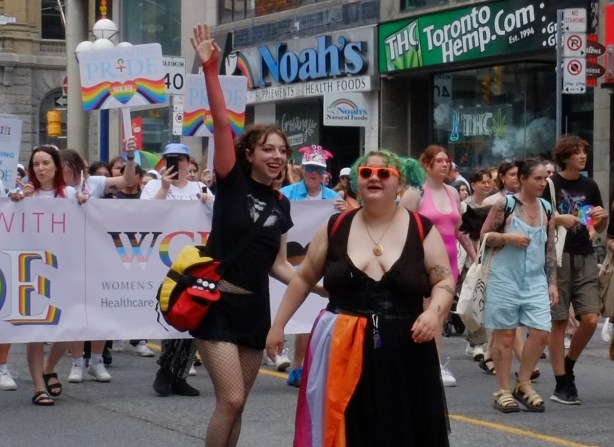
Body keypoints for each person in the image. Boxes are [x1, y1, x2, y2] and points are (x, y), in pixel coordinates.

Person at [267, 149, 453, 446]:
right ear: (356, 181)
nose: (374, 178)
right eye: (366, 173)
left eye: (384, 173)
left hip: (405, 348)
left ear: (400, 183)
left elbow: (443, 279)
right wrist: (278, 326)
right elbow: (303, 278)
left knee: (404, 430)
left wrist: (433, 313)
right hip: (341, 347)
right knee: (346, 429)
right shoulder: (335, 226)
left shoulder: (421, 228)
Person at [190, 24, 310, 445]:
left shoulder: (281, 204)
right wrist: (209, 69)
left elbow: (279, 264)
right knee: (232, 399)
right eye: (268, 149)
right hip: (216, 304)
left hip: (255, 309)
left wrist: (320, 287)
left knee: (239, 404)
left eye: (282, 151)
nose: (277, 157)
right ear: (249, 154)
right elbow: (222, 124)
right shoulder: (230, 182)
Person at [480, 159, 558, 413]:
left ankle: (523, 382)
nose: (542, 183)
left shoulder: (546, 207)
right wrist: (507, 237)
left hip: (535, 280)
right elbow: (484, 236)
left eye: (544, 178)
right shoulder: (506, 204)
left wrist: (553, 283)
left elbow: (550, 249)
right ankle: (502, 389)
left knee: (541, 332)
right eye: (537, 178)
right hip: (505, 277)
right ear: (522, 179)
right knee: (506, 334)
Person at [401, 145, 476, 387]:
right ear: (427, 164)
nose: (445, 165)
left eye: (447, 161)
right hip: (423, 261)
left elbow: (458, 230)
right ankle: (430, 364)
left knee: (440, 315)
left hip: (450, 261)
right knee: (427, 313)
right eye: (439, 161)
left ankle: (430, 362)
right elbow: (400, 227)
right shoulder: (415, 193)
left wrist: (475, 256)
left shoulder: (453, 193)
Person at [542, 135, 608, 405]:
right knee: (558, 319)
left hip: (585, 254)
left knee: (591, 318)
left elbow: (594, 227)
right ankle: (561, 383)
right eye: (577, 152)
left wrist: (600, 222)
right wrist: (558, 218)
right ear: (565, 156)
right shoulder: (550, 184)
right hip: (558, 255)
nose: (582, 156)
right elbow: (538, 217)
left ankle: (568, 365)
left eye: (584, 151)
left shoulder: (590, 186)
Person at [9, 144, 77, 406]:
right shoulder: (23, 195)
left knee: (72, 330)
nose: (40, 168)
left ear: (56, 166)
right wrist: (18, 201)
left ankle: (50, 367)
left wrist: (83, 205)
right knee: (35, 330)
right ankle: (39, 387)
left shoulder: (69, 194)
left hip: (64, 269)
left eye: (45, 163)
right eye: (36, 164)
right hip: (33, 270)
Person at [144, 143, 213, 397]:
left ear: (187, 161)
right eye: (170, 159)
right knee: (172, 311)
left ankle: (179, 373)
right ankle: (166, 370)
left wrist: (208, 201)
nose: (176, 164)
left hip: (194, 261)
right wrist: (163, 188)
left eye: (180, 159)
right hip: (164, 259)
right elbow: (143, 215)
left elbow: (215, 218)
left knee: (191, 313)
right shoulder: (153, 186)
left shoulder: (200, 188)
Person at [279, 144, 347, 386]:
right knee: (300, 315)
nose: (313, 173)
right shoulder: (287, 193)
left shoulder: (333, 198)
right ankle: (297, 365)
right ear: (302, 169)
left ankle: (310, 366)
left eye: (318, 169)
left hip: (322, 260)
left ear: (325, 172)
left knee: (316, 317)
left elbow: (344, 226)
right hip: (291, 261)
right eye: (309, 168)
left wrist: (345, 210)